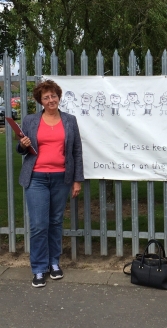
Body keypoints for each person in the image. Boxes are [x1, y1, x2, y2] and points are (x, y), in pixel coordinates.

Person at [17, 79, 84, 288]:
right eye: (46, 97)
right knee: (38, 225)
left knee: (55, 223)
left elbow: (76, 152)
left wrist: (77, 180)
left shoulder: (70, 120)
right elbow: (22, 150)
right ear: (40, 101)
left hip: (61, 178)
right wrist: (22, 145)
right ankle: (38, 268)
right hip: (36, 177)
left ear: (58, 97)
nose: (50, 100)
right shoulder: (30, 121)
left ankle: (54, 263)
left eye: (53, 95)